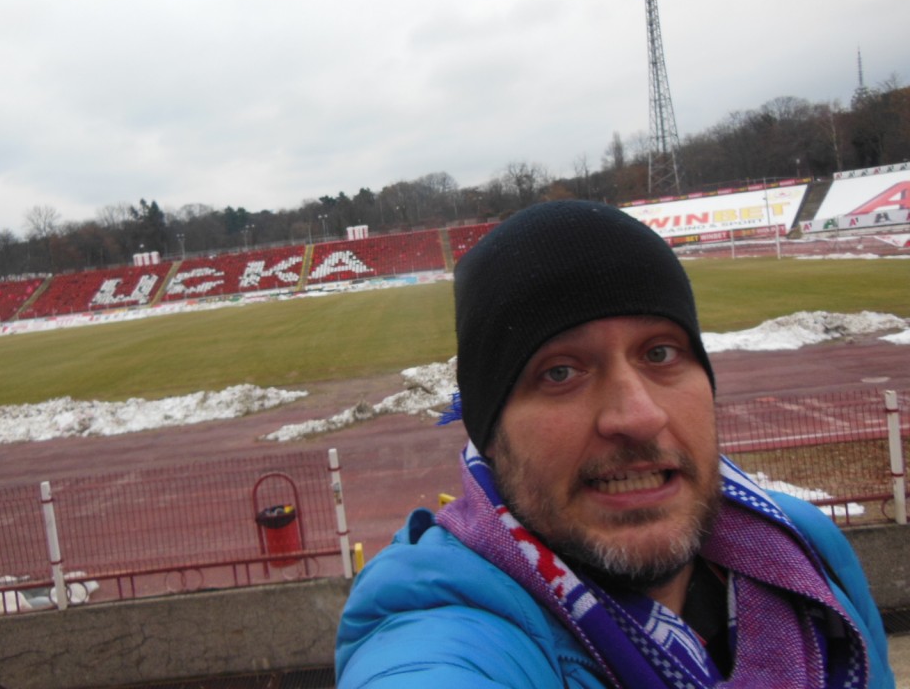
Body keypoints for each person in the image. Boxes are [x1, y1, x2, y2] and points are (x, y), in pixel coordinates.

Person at [335, 200, 894, 688]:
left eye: (660, 353)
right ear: (489, 427)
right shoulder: (445, 625)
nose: (638, 417)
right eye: (559, 372)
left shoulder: (805, 544)